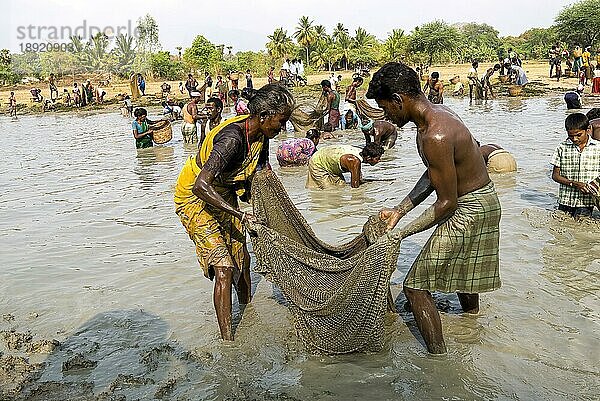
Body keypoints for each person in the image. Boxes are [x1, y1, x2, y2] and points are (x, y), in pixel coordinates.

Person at [367, 62, 501, 354]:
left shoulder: (434, 135)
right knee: (466, 271)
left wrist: (399, 233)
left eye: (385, 107)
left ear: (399, 100)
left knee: (414, 287)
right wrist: (401, 209)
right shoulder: (439, 116)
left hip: (469, 208)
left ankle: (438, 360)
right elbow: (435, 171)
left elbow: (446, 204)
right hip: (486, 200)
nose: (386, 115)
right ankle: (472, 327)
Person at [174, 84, 295, 341]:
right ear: (263, 116)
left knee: (242, 260)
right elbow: (201, 185)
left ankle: (248, 312)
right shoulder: (233, 139)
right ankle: (228, 340)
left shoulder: (261, 137)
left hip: (224, 191)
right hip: (195, 196)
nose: (282, 128)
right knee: (224, 267)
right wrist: (241, 215)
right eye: (280, 121)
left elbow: (261, 176)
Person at [551, 113, 600, 217]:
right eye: (570, 136)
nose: (575, 139)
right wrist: (573, 183)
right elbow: (555, 176)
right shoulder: (562, 147)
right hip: (565, 199)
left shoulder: (598, 148)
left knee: (580, 230)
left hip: (586, 201)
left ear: (588, 129)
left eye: (578, 135)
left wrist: (593, 187)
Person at [306, 143, 384, 189]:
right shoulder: (354, 160)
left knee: (341, 186)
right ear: (369, 158)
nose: (379, 161)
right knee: (329, 191)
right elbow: (355, 187)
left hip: (330, 161)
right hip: (318, 162)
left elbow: (358, 178)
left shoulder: (360, 154)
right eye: (377, 158)